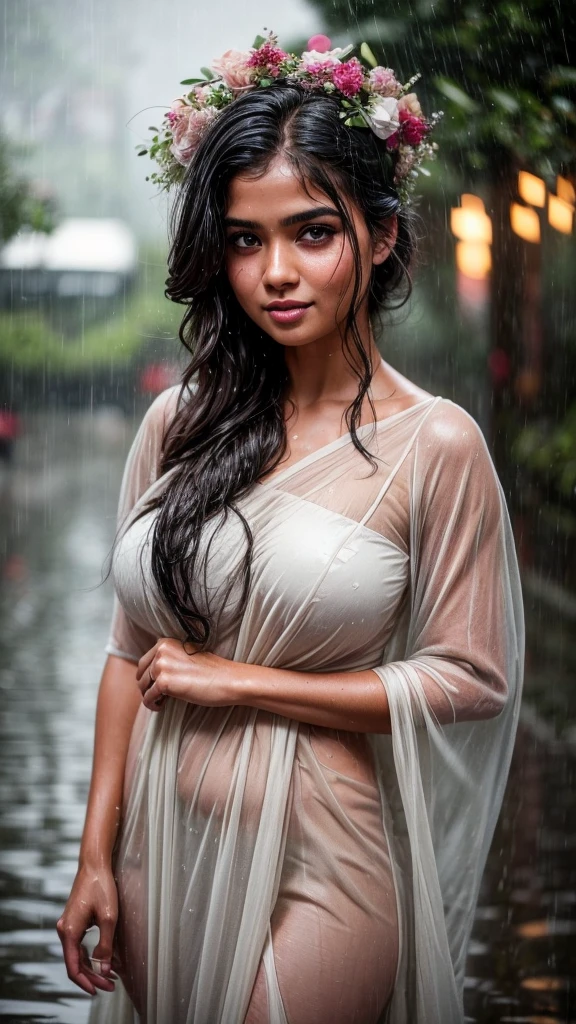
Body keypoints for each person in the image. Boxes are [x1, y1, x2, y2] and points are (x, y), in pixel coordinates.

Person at [57, 33, 525, 1024]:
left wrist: (242, 681)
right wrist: (94, 856)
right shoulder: (176, 423)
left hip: (327, 854)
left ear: (382, 234)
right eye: (243, 238)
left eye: (312, 232)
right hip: (162, 849)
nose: (275, 270)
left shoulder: (434, 445)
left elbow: (472, 677)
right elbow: (125, 653)